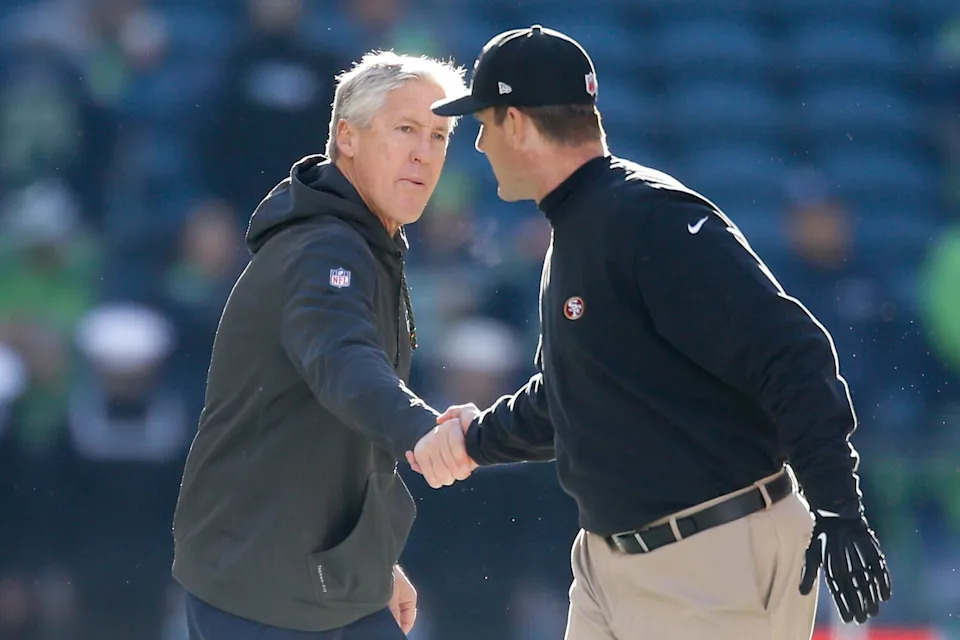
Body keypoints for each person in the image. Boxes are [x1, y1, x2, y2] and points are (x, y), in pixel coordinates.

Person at [420, 25, 893, 639]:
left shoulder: (649, 218)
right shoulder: (578, 230)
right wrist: (475, 438)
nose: (480, 144)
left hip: (710, 561)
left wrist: (837, 504)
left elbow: (790, 353)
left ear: (518, 123)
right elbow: (577, 395)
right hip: (611, 567)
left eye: (484, 124)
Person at [171, 51, 476, 640]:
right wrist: (423, 428)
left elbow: (337, 429)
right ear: (347, 137)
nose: (425, 151)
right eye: (405, 129)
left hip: (330, 580)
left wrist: (372, 559)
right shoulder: (325, 249)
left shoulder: (364, 242)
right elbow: (343, 365)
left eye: (439, 134)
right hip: (259, 590)